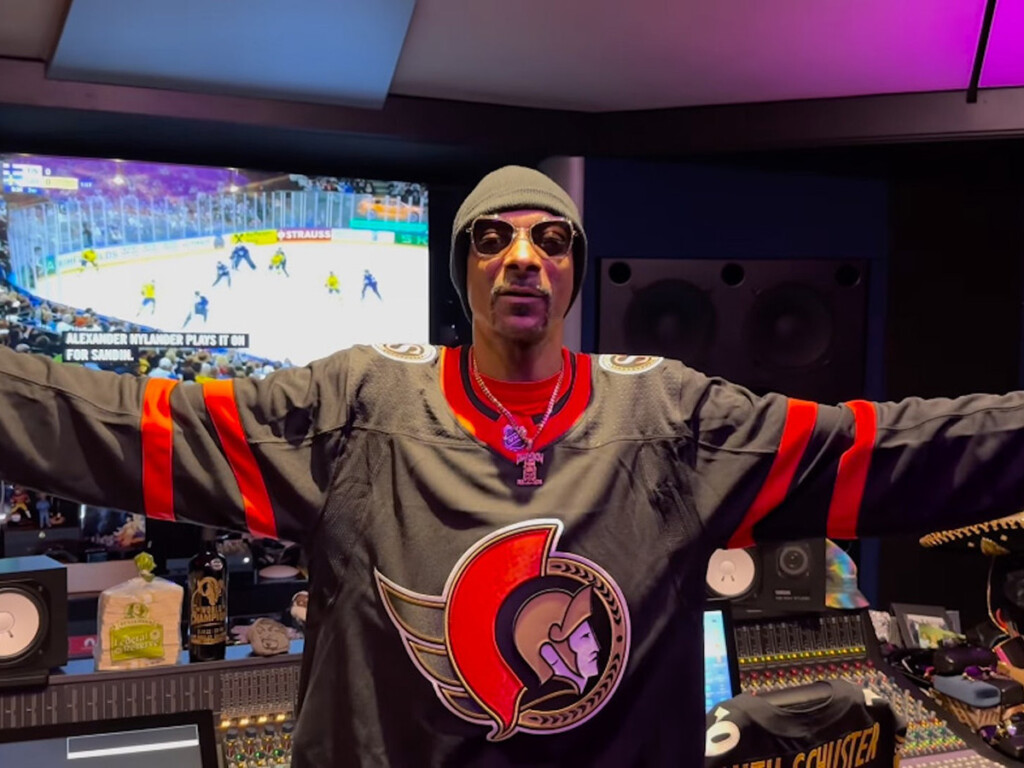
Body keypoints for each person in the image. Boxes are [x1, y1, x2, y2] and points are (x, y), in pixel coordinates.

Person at [3, 165, 1024, 765]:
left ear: (576, 269)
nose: (521, 256)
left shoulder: (669, 418)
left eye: (548, 239)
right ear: (465, 273)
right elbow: (125, 423)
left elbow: (886, 450)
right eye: (491, 239)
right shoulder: (353, 410)